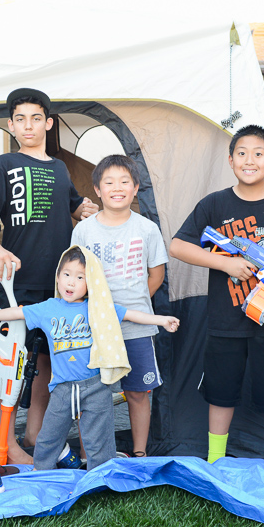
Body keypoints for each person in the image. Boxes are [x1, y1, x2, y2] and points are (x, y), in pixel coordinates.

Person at [168, 124, 264, 498]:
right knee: (221, 393)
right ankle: (215, 464)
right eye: (242, 153)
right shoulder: (215, 204)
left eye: (258, 154)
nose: (249, 160)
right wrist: (226, 265)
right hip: (225, 320)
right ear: (230, 160)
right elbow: (177, 246)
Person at [0, 87, 99, 464]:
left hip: (60, 286)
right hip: (14, 283)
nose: (28, 125)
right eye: (20, 118)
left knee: (47, 362)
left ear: (49, 123)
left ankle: (36, 434)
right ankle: (6, 445)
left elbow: (74, 207)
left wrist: (85, 209)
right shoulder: (4, 164)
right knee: (11, 360)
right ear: (11, 124)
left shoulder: (59, 168)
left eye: (36, 118)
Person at [0, 246, 179, 471]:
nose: (71, 282)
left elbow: (131, 315)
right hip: (62, 388)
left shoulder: (98, 308)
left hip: (95, 386)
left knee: (99, 439)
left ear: (91, 283)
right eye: (66, 275)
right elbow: (18, 313)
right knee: (48, 437)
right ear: (58, 277)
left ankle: (101, 476)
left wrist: (162, 320)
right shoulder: (49, 308)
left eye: (80, 277)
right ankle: (40, 474)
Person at [71, 154, 167, 458]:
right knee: (91, 395)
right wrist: (99, 314)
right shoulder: (84, 231)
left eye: (124, 182)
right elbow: (74, 277)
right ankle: (90, 456)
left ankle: (139, 454)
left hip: (137, 327)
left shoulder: (147, 229)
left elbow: (157, 274)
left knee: (138, 392)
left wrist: (130, 308)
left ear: (136, 188)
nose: (117, 188)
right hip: (92, 329)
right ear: (97, 190)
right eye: (108, 182)